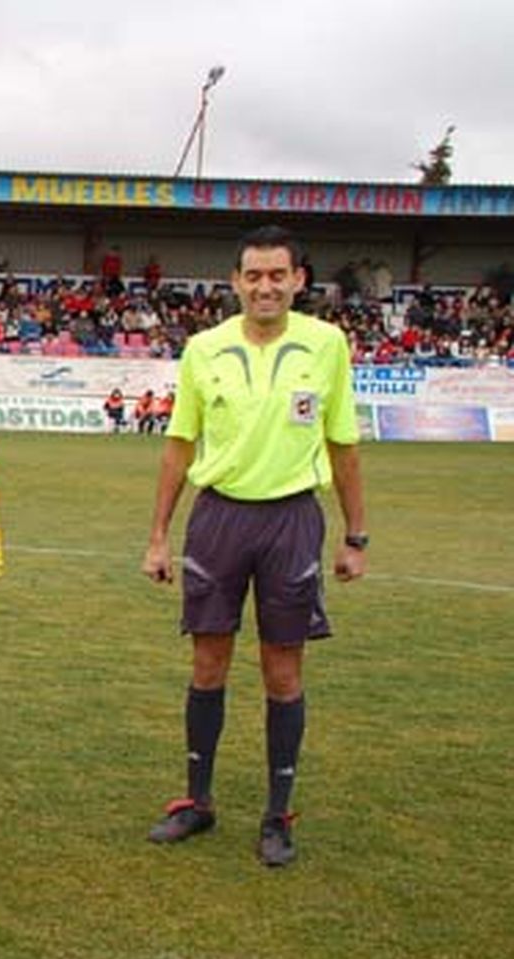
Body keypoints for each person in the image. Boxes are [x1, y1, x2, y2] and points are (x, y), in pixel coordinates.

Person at [142, 225, 368, 868]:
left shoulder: (326, 345)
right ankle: (197, 801)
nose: (265, 286)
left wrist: (356, 535)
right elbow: (179, 444)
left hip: (292, 519)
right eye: (253, 275)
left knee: (283, 671)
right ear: (236, 282)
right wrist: (159, 534)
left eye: (278, 275)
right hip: (218, 519)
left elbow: (343, 444)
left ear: (299, 279)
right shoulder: (203, 349)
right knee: (207, 663)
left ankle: (278, 815)